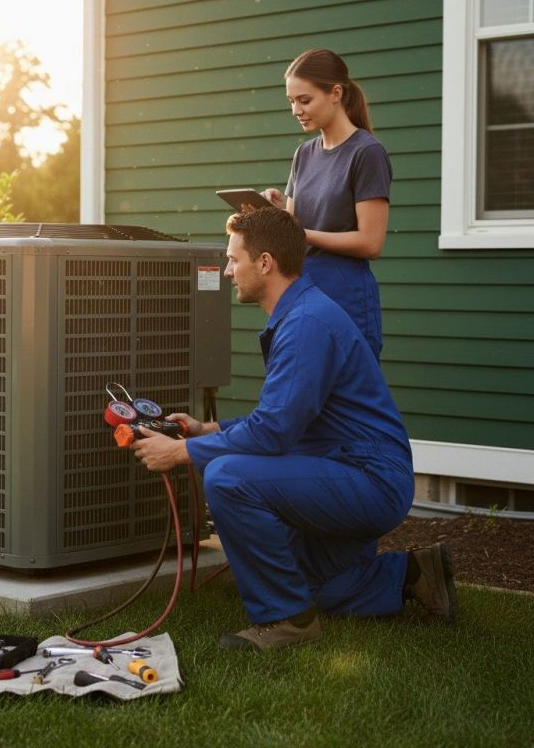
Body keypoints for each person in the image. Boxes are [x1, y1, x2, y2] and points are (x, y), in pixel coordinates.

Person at [132, 205, 457, 651]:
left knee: (227, 476)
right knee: (318, 588)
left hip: (368, 478)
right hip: (342, 468)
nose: (227, 272)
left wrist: (180, 452)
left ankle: (286, 620)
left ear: (265, 262)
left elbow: (273, 432)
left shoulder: (306, 324)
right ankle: (415, 573)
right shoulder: (302, 313)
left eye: (234, 260)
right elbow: (285, 416)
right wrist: (208, 429)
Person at [247, 48, 391, 359]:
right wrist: (274, 212)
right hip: (301, 289)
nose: (296, 110)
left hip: (344, 294)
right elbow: (295, 229)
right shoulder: (304, 153)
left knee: (347, 385)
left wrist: (303, 234)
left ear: (336, 93)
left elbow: (371, 243)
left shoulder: (366, 153)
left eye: (304, 100)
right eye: (291, 101)